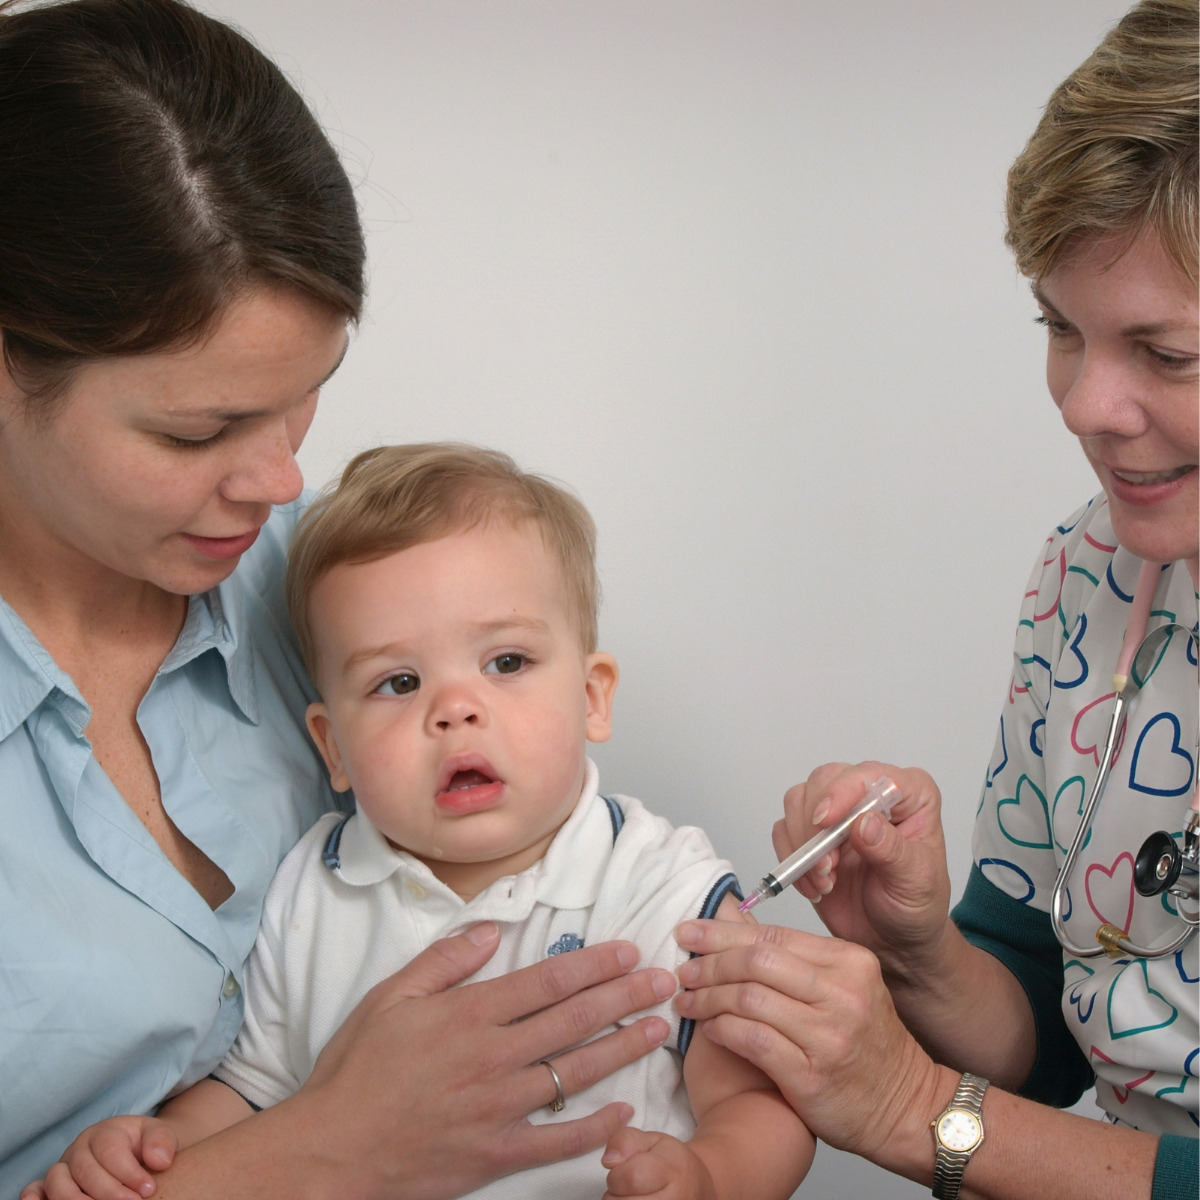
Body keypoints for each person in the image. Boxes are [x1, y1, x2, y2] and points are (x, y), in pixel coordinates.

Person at [2, 3, 684, 1197]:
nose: (281, 483)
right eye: (197, 431)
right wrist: (326, 1146)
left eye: (305, 395)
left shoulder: (340, 586)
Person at [671, 2, 1198, 1199]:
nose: (1084, 405)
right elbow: (1051, 1038)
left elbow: (960, 1109)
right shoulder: (1090, 569)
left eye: (1166, 355)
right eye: (1060, 328)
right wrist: (915, 952)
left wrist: (917, 1113)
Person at [36, 443, 817, 1200]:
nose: (455, 709)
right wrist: (152, 1150)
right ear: (333, 747)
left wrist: (712, 1179)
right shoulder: (310, 891)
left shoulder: (660, 884)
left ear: (592, 698)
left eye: (506, 663)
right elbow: (250, 1093)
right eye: (399, 682)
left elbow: (758, 1099)